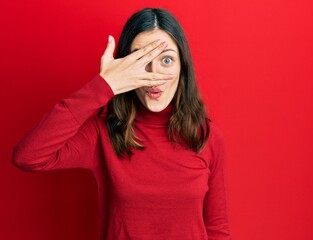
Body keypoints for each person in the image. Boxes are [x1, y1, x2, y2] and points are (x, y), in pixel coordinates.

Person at [12, 8, 231, 240]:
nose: (153, 75)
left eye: (166, 60)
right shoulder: (103, 133)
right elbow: (28, 157)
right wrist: (104, 85)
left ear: (182, 68)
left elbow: (217, 228)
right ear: (124, 67)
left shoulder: (208, 137)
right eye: (141, 60)